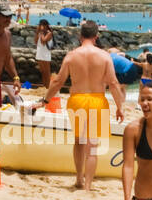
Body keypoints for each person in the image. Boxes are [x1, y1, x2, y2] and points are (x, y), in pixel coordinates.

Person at [39, 20, 126, 190]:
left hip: (77, 100)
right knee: (92, 145)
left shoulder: (72, 55)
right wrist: (120, 107)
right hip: (97, 100)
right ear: (96, 36)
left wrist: (45, 100)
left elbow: (57, 81)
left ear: (80, 37)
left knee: (79, 141)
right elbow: (114, 83)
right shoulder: (104, 56)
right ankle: (87, 185)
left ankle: (78, 178)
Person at [35, 18, 54, 89]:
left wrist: (42, 32)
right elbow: (36, 42)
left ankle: (48, 87)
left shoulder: (49, 33)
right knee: (42, 71)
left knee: (47, 72)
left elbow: (43, 41)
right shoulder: (40, 33)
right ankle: (44, 86)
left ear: (45, 26)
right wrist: (37, 33)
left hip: (46, 54)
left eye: (41, 25)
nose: (40, 27)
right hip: (39, 52)